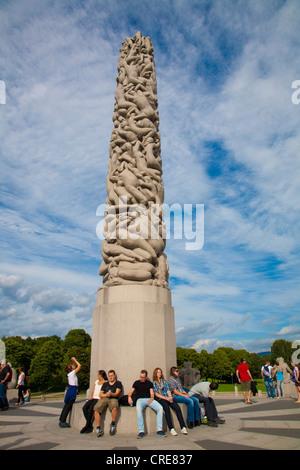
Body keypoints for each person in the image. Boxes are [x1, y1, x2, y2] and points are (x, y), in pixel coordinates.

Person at [127, 369, 166, 438]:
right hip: (140, 400)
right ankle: (141, 431)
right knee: (138, 410)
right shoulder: (136, 383)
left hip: (149, 399)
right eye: (140, 377)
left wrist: (151, 398)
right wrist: (129, 397)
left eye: (143, 377)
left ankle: (159, 430)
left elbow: (152, 393)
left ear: (146, 377)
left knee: (160, 408)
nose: (141, 379)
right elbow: (131, 392)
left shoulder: (149, 383)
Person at [152, 367, 188, 436]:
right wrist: (165, 398)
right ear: (155, 374)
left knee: (177, 408)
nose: (159, 374)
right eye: (158, 372)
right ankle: (171, 428)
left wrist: (170, 397)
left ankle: (183, 427)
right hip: (161, 398)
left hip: (168, 397)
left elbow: (168, 390)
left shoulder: (164, 381)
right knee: (167, 409)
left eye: (160, 372)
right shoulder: (154, 383)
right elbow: (156, 394)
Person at [93, 370, 122, 437]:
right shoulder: (105, 384)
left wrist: (111, 394)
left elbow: (117, 393)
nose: (110, 377)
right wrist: (106, 395)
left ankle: (113, 424)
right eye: (109, 376)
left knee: (114, 407)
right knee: (96, 408)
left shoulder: (118, 383)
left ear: (114, 376)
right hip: (105, 398)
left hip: (113, 398)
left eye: (112, 376)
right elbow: (100, 394)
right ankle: (98, 428)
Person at [59, 357, 81, 428]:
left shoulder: (70, 373)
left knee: (66, 406)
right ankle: (63, 421)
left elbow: (75, 366)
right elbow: (79, 366)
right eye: (72, 366)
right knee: (68, 406)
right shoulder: (72, 373)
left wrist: (73, 362)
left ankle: (61, 419)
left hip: (71, 389)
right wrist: (75, 360)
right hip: (72, 390)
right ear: (71, 369)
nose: (74, 366)